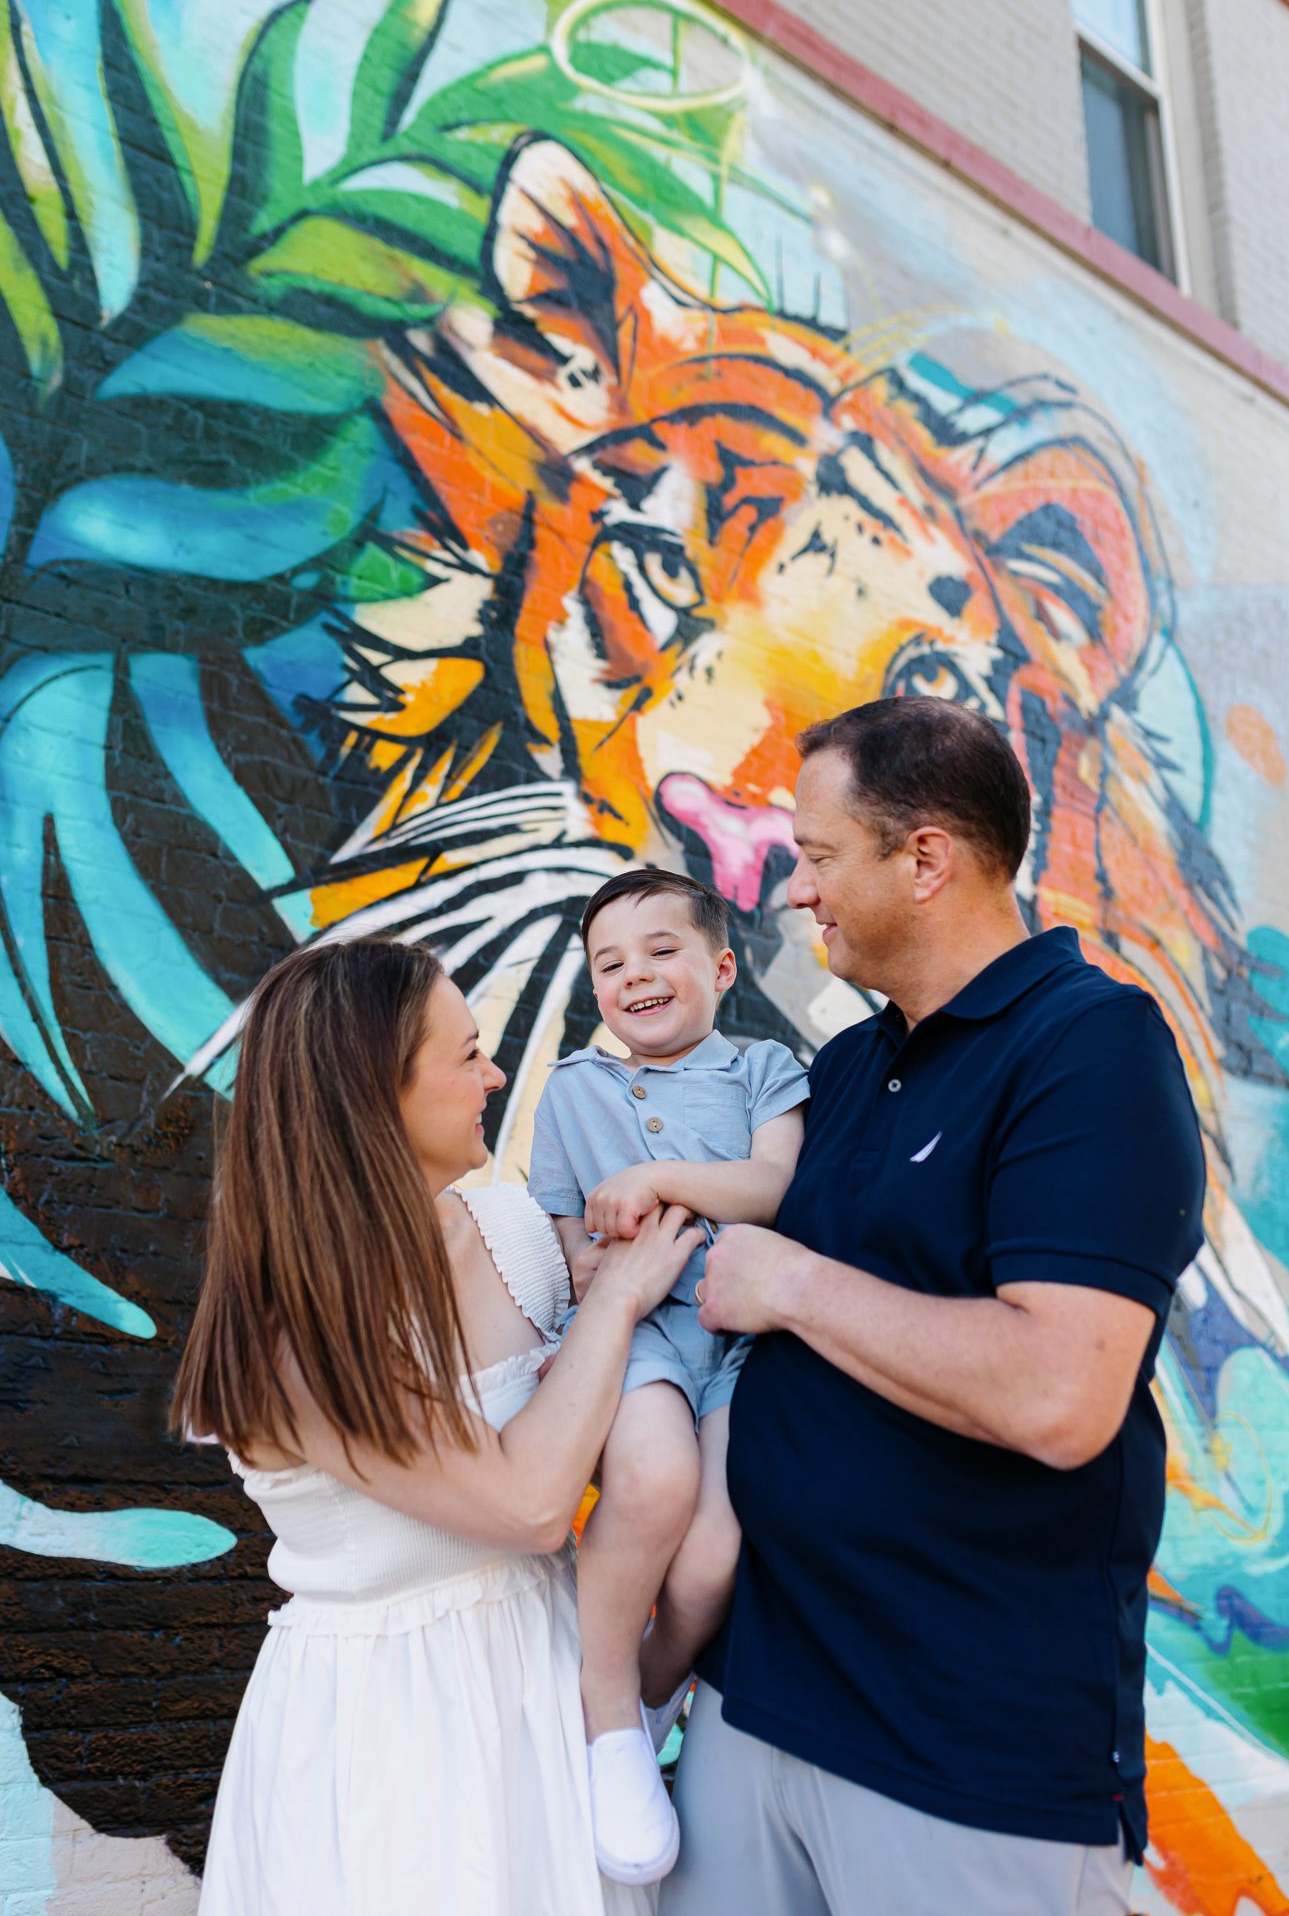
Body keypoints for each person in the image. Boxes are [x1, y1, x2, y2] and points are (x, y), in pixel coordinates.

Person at [662, 695, 1207, 1916]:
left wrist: (789, 1281)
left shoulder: (1091, 1047)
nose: (792, 890)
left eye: (815, 856)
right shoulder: (851, 1062)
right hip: (755, 1698)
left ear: (924, 859)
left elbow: (1063, 1393)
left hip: (962, 1748)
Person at [172, 936, 702, 1916]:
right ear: (376, 1093)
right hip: (395, 1729)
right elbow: (533, 1502)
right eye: (466, 1055)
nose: (495, 1073)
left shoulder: (509, 1230)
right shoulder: (299, 1339)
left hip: (545, 1685)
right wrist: (620, 1298)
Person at [528, 868, 809, 1885]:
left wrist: (658, 1179)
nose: (634, 974)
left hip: (738, 1338)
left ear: (720, 966)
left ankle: (645, 1695)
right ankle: (608, 1713)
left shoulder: (763, 1068)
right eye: (609, 962)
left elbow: (774, 1186)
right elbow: (558, 1221)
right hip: (637, 1328)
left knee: (709, 1558)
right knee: (650, 1483)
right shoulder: (573, 1087)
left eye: (660, 950)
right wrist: (584, 1277)